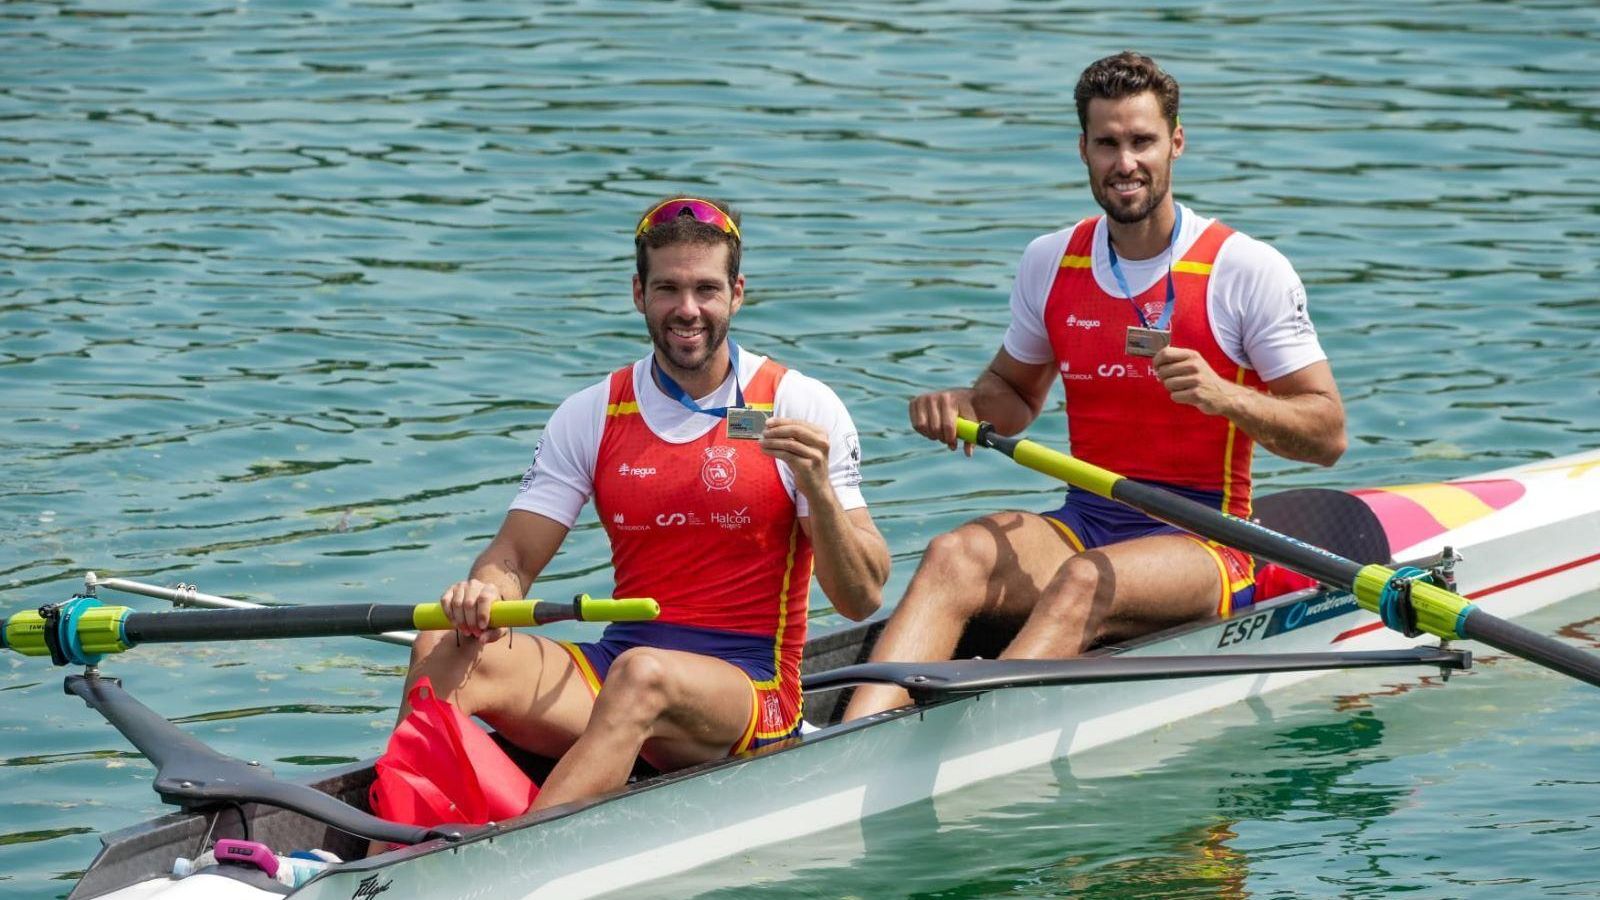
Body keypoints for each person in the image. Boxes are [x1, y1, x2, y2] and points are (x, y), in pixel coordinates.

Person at [844, 51, 1346, 720]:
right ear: (1083, 148)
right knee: (953, 553)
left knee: (1084, 581)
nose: (1125, 162)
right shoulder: (1050, 260)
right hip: (1086, 519)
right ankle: (857, 733)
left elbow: (1327, 434)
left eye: (1141, 140)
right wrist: (961, 405)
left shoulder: (1244, 269)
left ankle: (977, 736)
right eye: (1107, 143)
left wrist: (1225, 396)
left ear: (1176, 142)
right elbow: (1013, 397)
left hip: (1210, 543)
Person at [400, 196, 889, 811]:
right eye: (668, 289)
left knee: (642, 675)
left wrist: (817, 487)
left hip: (753, 691)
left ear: (738, 294)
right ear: (639, 293)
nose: (688, 310)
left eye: (706, 289)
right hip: (624, 665)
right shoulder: (595, 412)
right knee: (442, 647)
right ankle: (385, 853)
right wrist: (486, 596)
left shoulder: (798, 404)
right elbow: (514, 555)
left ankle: (505, 866)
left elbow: (862, 598)